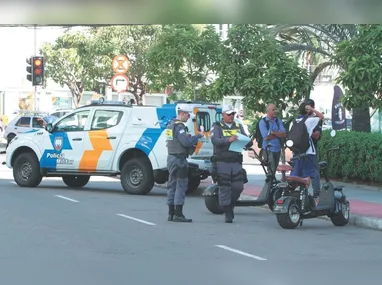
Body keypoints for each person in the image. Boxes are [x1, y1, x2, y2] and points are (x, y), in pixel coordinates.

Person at [211, 104, 253, 223]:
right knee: (224, 187)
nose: (231, 116)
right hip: (222, 161)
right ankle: (228, 212)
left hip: (236, 160)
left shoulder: (238, 125)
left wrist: (248, 141)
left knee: (238, 186)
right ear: (223, 115)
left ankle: (230, 204)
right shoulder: (217, 126)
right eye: (229, 114)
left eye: (233, 114)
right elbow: (215, 140)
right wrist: (228, 140)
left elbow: (247, 140)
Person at [166, 106, 204, 223]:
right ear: (182, 113)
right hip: (179, 160)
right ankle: (178, 214)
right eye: (188, 115)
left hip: (171, 158)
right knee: (181, 186)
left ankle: (171, 213)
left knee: (172, 185)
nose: (189, 117)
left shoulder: (170, 125)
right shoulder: (179, 126)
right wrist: (198, 135)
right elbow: (186, 142)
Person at [290, 101, 324, 200]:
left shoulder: (296, 120)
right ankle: (316, 195)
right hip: (309, 151)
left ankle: (293, 192)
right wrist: (312, 110)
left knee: (297, 172)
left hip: (297, 151)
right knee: (313, 173)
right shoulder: (310, 120)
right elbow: (321, 116)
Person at [258, 103, 286, 174]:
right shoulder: (263, 122)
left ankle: (270, 184)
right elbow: (266, 137)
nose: (275, 111)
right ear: (268, 111)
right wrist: (278, 134)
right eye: (273, 110)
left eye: (275, 109)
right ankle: (268, 185)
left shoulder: (278, 120)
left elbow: (284, 134)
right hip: (268, 149)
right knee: (271, 170)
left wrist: (273, 133)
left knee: (274, 170)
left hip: (277, 148)